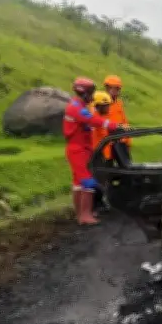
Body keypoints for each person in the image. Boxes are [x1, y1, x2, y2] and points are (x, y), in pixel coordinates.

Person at [63, 77, 129, 225]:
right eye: (91, 93)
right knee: (87, 182)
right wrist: (112, 125)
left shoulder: (77, 105)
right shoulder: (76, 108)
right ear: (84, 93)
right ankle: (85, 215)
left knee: (78, 183)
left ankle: (80, 215)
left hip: (82, 148)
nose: (92, 97)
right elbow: (94, 120)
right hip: (78, 149)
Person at [89, 91, 115, 215]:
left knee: (102, 179)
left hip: (99, 153)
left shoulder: (99, 117)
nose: (108, 107)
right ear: (98, 106)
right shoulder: (94, 118)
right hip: (93, 154)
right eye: (106, 105)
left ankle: (100, 203)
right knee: (96, 180)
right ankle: (93, 207)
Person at [102, 75, 132, 161]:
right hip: (107, 144)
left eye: (119, 89)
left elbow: (124, 122)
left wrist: (128, 141)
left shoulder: (118, 103)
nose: (118, 92)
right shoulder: (100, 104)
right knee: (107, 169)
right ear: (108, 88)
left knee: (127, 170)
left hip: (121, 143)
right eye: (117, 88)